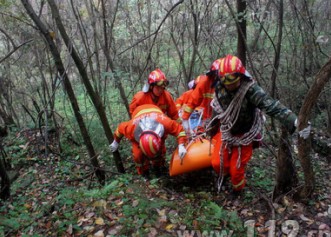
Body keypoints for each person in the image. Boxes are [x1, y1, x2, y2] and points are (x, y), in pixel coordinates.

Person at [208, 54, 311, 194]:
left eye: (232, 78)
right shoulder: (219, 86)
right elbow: (217, 108)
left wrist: (295, 121)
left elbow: (271, 105)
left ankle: (238, 190)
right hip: (227, 130)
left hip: (245, 134)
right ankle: (224, 176)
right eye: (224, 79)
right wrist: (211, 129)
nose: (228, 83)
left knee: (236, 171)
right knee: (217, 163)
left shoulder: (250, 89)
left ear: (240, 75)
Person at [109, 104, 187, 177]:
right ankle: (144, 173)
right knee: (138, 155)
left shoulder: (165, 123)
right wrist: (115, 142)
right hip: (138, 113)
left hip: (155, 111)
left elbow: (179, 130)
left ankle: (158, 167)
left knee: (160, 152)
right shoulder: (131, 128)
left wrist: (181, 145)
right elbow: (119, 129)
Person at [181, 59, 222, 132]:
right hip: (207, 119)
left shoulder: (228, 85)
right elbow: (192, 102)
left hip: (223, 118)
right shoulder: (204, 83)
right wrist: (185, 118)